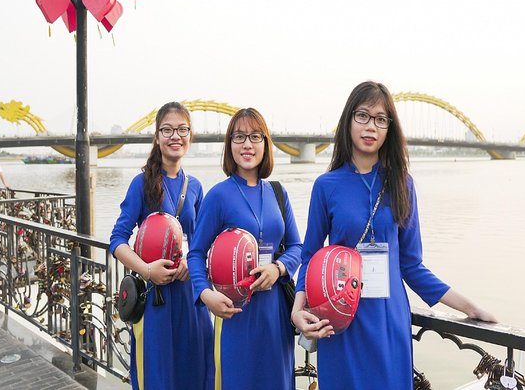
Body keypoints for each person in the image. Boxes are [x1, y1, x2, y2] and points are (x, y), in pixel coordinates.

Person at [291, 81, 497, 390]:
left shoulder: (402, 184)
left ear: (389, 128)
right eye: (362, 115)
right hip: (341, 320)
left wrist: (469, 308)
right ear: (348, 121)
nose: (370, 126)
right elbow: (309, 256)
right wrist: (297, 308)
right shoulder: (327, 185)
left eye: (380, 119)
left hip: (389, 321)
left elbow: (412, 265)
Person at [187, 108, 302, 390]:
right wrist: (205, 294)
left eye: (254, 136)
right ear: (229, 145)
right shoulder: (218, 196)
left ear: (265, 144)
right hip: (236, 312)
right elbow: (196, 253)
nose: (247, 144)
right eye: (239, 137)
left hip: (275, 313)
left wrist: (278, 268)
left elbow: (298, 247)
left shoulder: (277, 192)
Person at [109, 102, 214, 390]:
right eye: (167, 130)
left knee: (195, 369)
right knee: (158, 375)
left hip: (190, 296)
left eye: (182, 129)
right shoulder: (141, 184)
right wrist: (146, 269)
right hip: (156, 300)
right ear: (157, 136)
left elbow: (201, 244)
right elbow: (117, 240)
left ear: (190, 136)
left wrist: (190, 264)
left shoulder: (195, 187)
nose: (175, 136)